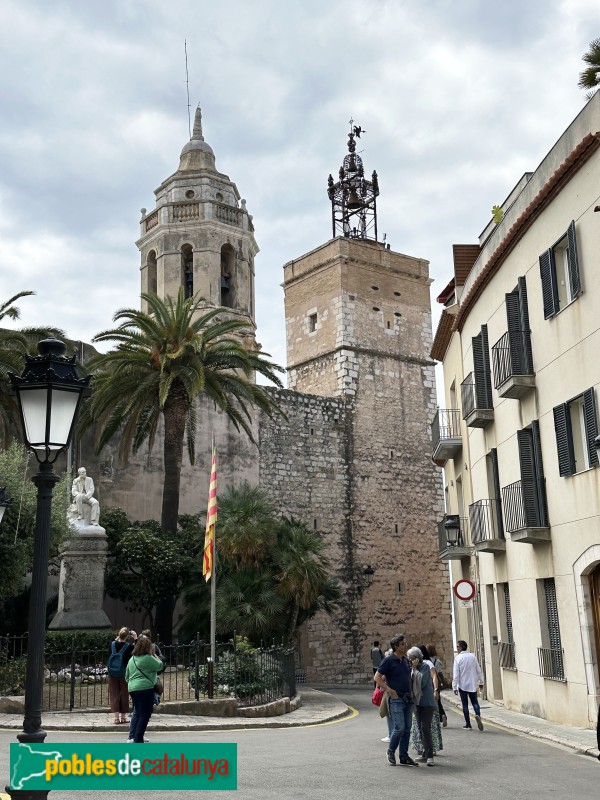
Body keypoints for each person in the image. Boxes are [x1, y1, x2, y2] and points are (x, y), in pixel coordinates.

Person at [375, 633, 419, 767]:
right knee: (399, 727)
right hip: (396, 699)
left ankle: (404, 756)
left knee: (407, 729)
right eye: (402, 644)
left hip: (408, 698)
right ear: (395, 647)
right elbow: (377, 677)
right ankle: (390, 751)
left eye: (405, 643)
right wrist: (389, 690)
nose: (405, 645)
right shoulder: (388, 660)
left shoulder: (405, 660)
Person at [125, 635, 163, 743]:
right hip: (145, 689)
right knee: (145, 714)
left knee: (137, 712)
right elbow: (160, 666)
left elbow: (126, 676)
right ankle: (138, 739)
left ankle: (134, 737)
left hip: (132, 688)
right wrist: (155, 655)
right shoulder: (148, 658)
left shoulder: (132, 659)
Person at [411, 644, 443, 756]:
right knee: (420, 727)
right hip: (419, 701)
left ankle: (430, 750)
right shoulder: (417, 666)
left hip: (427, 699)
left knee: (428, 727)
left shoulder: (426, 664)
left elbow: (433, 676)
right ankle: (423, 749)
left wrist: (435, 689)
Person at [407, 647, 437, 766]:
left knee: (425, 728)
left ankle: (430, 756)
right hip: (417, 703)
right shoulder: (412, 668)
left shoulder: (424, 667)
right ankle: (425, 753)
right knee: (420, 728)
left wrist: (414, 669)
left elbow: (420, 682)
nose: (409, 661)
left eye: (411, 659)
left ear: (416, 658)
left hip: (427, 703)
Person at [453, 639, 484, 730]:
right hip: (472, 684)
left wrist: (454, 686)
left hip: (463, 685)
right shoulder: (472, 656)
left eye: (458, 646)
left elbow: (456, 674)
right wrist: (481, 682)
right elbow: (478, 670)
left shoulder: (458, 658)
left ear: (461, 647)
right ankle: (477, 715)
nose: (457, 648)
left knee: (465, 705)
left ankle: (468, 724)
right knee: (475, 702)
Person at [107, 627, 137, 724]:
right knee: (124, 694)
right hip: (124, 673)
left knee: (114, 694)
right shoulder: (129, 647)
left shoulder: (111, 645)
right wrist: (135, 638)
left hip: (112, 673)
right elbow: (137, 651)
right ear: (127, 636)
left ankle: (116, 718)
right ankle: (123, 717)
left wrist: (117, 639)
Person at [428, 644, 448, 727]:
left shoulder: (428, 662)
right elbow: (439, 671)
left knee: (431, 702)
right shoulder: (438, 661)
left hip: (430, 682)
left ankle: (437, 718)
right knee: (438, 700)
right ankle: (442, 715)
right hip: (438, 683)